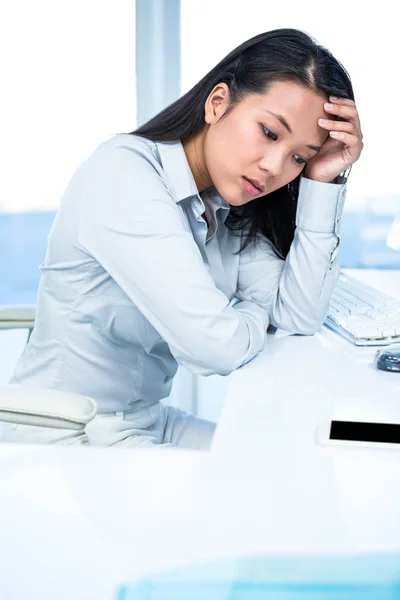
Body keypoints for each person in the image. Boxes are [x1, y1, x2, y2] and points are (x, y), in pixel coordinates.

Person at [6, 28, 363, 449]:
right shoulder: (124, 177)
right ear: (217, 103)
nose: (273, 166)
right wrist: (253, 312)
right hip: (65, 436)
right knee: (264, 490)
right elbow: (214, 348)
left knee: (284, 461)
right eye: (269, 132)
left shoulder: (225, 205)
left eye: (299, 157)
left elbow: (298, 315)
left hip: (146, 421)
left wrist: (325, 180)